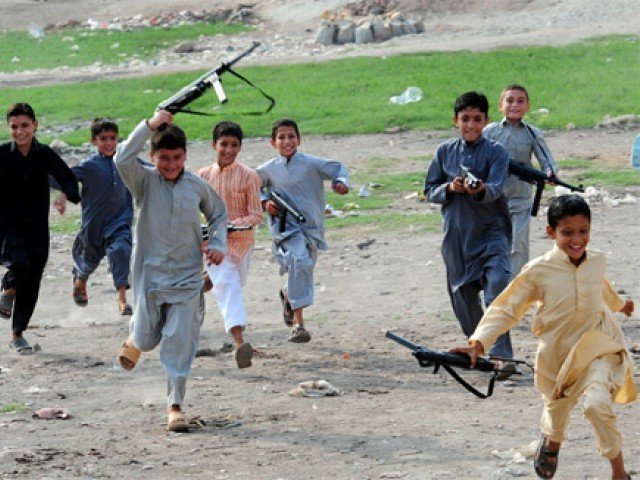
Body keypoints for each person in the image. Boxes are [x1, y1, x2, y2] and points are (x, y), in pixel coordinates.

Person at [451, 194, 635, 480]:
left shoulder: (596, 260)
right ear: (551, 232)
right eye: (568, 233)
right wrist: (479, 342)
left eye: (583, 231)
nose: (577, 240)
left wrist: (621, 305)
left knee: (597, 405)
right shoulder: (539, 271)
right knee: (556, 413)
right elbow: (506, 307)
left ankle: (619, 473)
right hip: (557, 356)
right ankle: (551, 442)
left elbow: (600, 288)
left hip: (598, 348)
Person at [115, 110, 227, 433]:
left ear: (186, 156)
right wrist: (149, 124)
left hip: (187, 278)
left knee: (179, 340)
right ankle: (136, 337)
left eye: (177, 157)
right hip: (149, 275)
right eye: (164, 158)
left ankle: (175, 406)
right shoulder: (145, 181)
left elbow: (218, 214)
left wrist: (217, 243)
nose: (171, 164)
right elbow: (122, 157)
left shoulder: (196, 186)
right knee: (148, 338)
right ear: (152, 156)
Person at [423, 91, 515, 375]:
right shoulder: (444, 152)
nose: (471, 125)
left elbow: (497, 188)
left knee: (497, 288)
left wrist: (480, 189)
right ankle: (478, 348)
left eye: (477, 119)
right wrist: (450, 188)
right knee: (463, 298)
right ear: (455, 120)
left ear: (486, 121)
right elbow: (429, 190)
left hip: (492, 234)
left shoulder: (497, 152)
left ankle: (503, 357)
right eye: (465, 119)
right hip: (457, 238)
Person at [256, 118, 349, 343]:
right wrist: (264, 201)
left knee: (304, 267)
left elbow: (338, 169)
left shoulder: (311, 163)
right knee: (299, 260)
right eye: (281, 137)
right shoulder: (267, 169)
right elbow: (253, 186)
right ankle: (299, 324)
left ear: (299, 139)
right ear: (272, 142)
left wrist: (341, 183)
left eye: (291, 136)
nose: (287, 141)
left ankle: (288, 294)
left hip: (312, 226)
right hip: (286, 227)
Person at [0, 102, 80, 353]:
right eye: (14, 127)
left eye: (25, 125)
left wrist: (64, 196)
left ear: (35, 125)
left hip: (37, 228)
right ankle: (7, 287)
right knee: (20, 264)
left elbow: (68, 178)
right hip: (7, 227)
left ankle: (17, 334)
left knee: (33, 278)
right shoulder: (2, 154)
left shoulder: (45, 154)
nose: (20, 131)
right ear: (8, 128)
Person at [197, 121, 263, 369]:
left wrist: (232, 225)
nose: (228, 149)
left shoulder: (249, 176)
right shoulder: (201, 176)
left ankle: (195, 287)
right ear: (214, 145)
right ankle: (239, 342)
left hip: (241, 243)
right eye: (223, 144)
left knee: (227, 282)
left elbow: (256, 215)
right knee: (227, 282)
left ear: (240, 147)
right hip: (212, 243)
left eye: (234, 145)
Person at [54, 118, 134, 315]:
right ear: (93, 141)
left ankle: (122, 299)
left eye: (113, 138)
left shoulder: (126, 161)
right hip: (94, 225)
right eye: (103, 138)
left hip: (120, 221)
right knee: (89, 260)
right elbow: (66, 178)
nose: (108, 143)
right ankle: (80, 279)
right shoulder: (89, 166)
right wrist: (63, 195)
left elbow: (150, 171)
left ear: (119, 139)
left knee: (121, 250)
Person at [483, 84, 558, 277]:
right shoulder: (489, 132)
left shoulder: (532, 133)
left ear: (528, 106)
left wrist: (550, 173)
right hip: (492, 201)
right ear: (500, 105)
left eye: (520, 101)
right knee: (494, 246)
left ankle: (516, 291)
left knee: (518, 247)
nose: (515, 105)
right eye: (509, 100)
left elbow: (546, 160)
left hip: (520, 199)